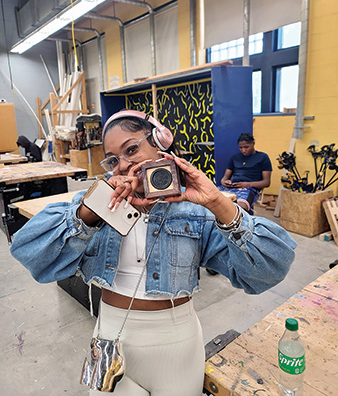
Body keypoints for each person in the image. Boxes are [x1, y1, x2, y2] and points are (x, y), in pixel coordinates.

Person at [10, 110, 296, 396]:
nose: (122, 165)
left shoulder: (195, 211)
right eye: (113, 160)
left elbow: (268, 271)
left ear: (160, 144)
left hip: (176, 345)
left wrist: (217, 203)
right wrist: (90, 210)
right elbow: (29, 251)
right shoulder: (97, 202)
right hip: (110, 336)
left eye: (131, 149)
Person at [218, 133, 272, 213]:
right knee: (211, 199)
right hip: (231, 187)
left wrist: (246, 184)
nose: (243, 150)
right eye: (241, 148)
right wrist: (225, 182)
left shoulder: (263, 157)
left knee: (240, 208)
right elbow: (225, 178)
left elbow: (266, 182)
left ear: (253, 143)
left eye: (246, 147)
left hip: (249, 189)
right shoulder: (235, 158)